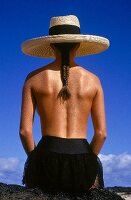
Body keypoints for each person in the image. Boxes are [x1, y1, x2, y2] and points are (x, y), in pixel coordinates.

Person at [19, 15, 110, 194]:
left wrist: (36, 160)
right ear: (78, 45)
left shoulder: (34, 78)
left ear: (51, 45)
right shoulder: (94, 81)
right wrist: (88, 160)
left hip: (46, 156)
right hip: (83, 158)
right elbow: (101, 134)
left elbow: (25, 131)